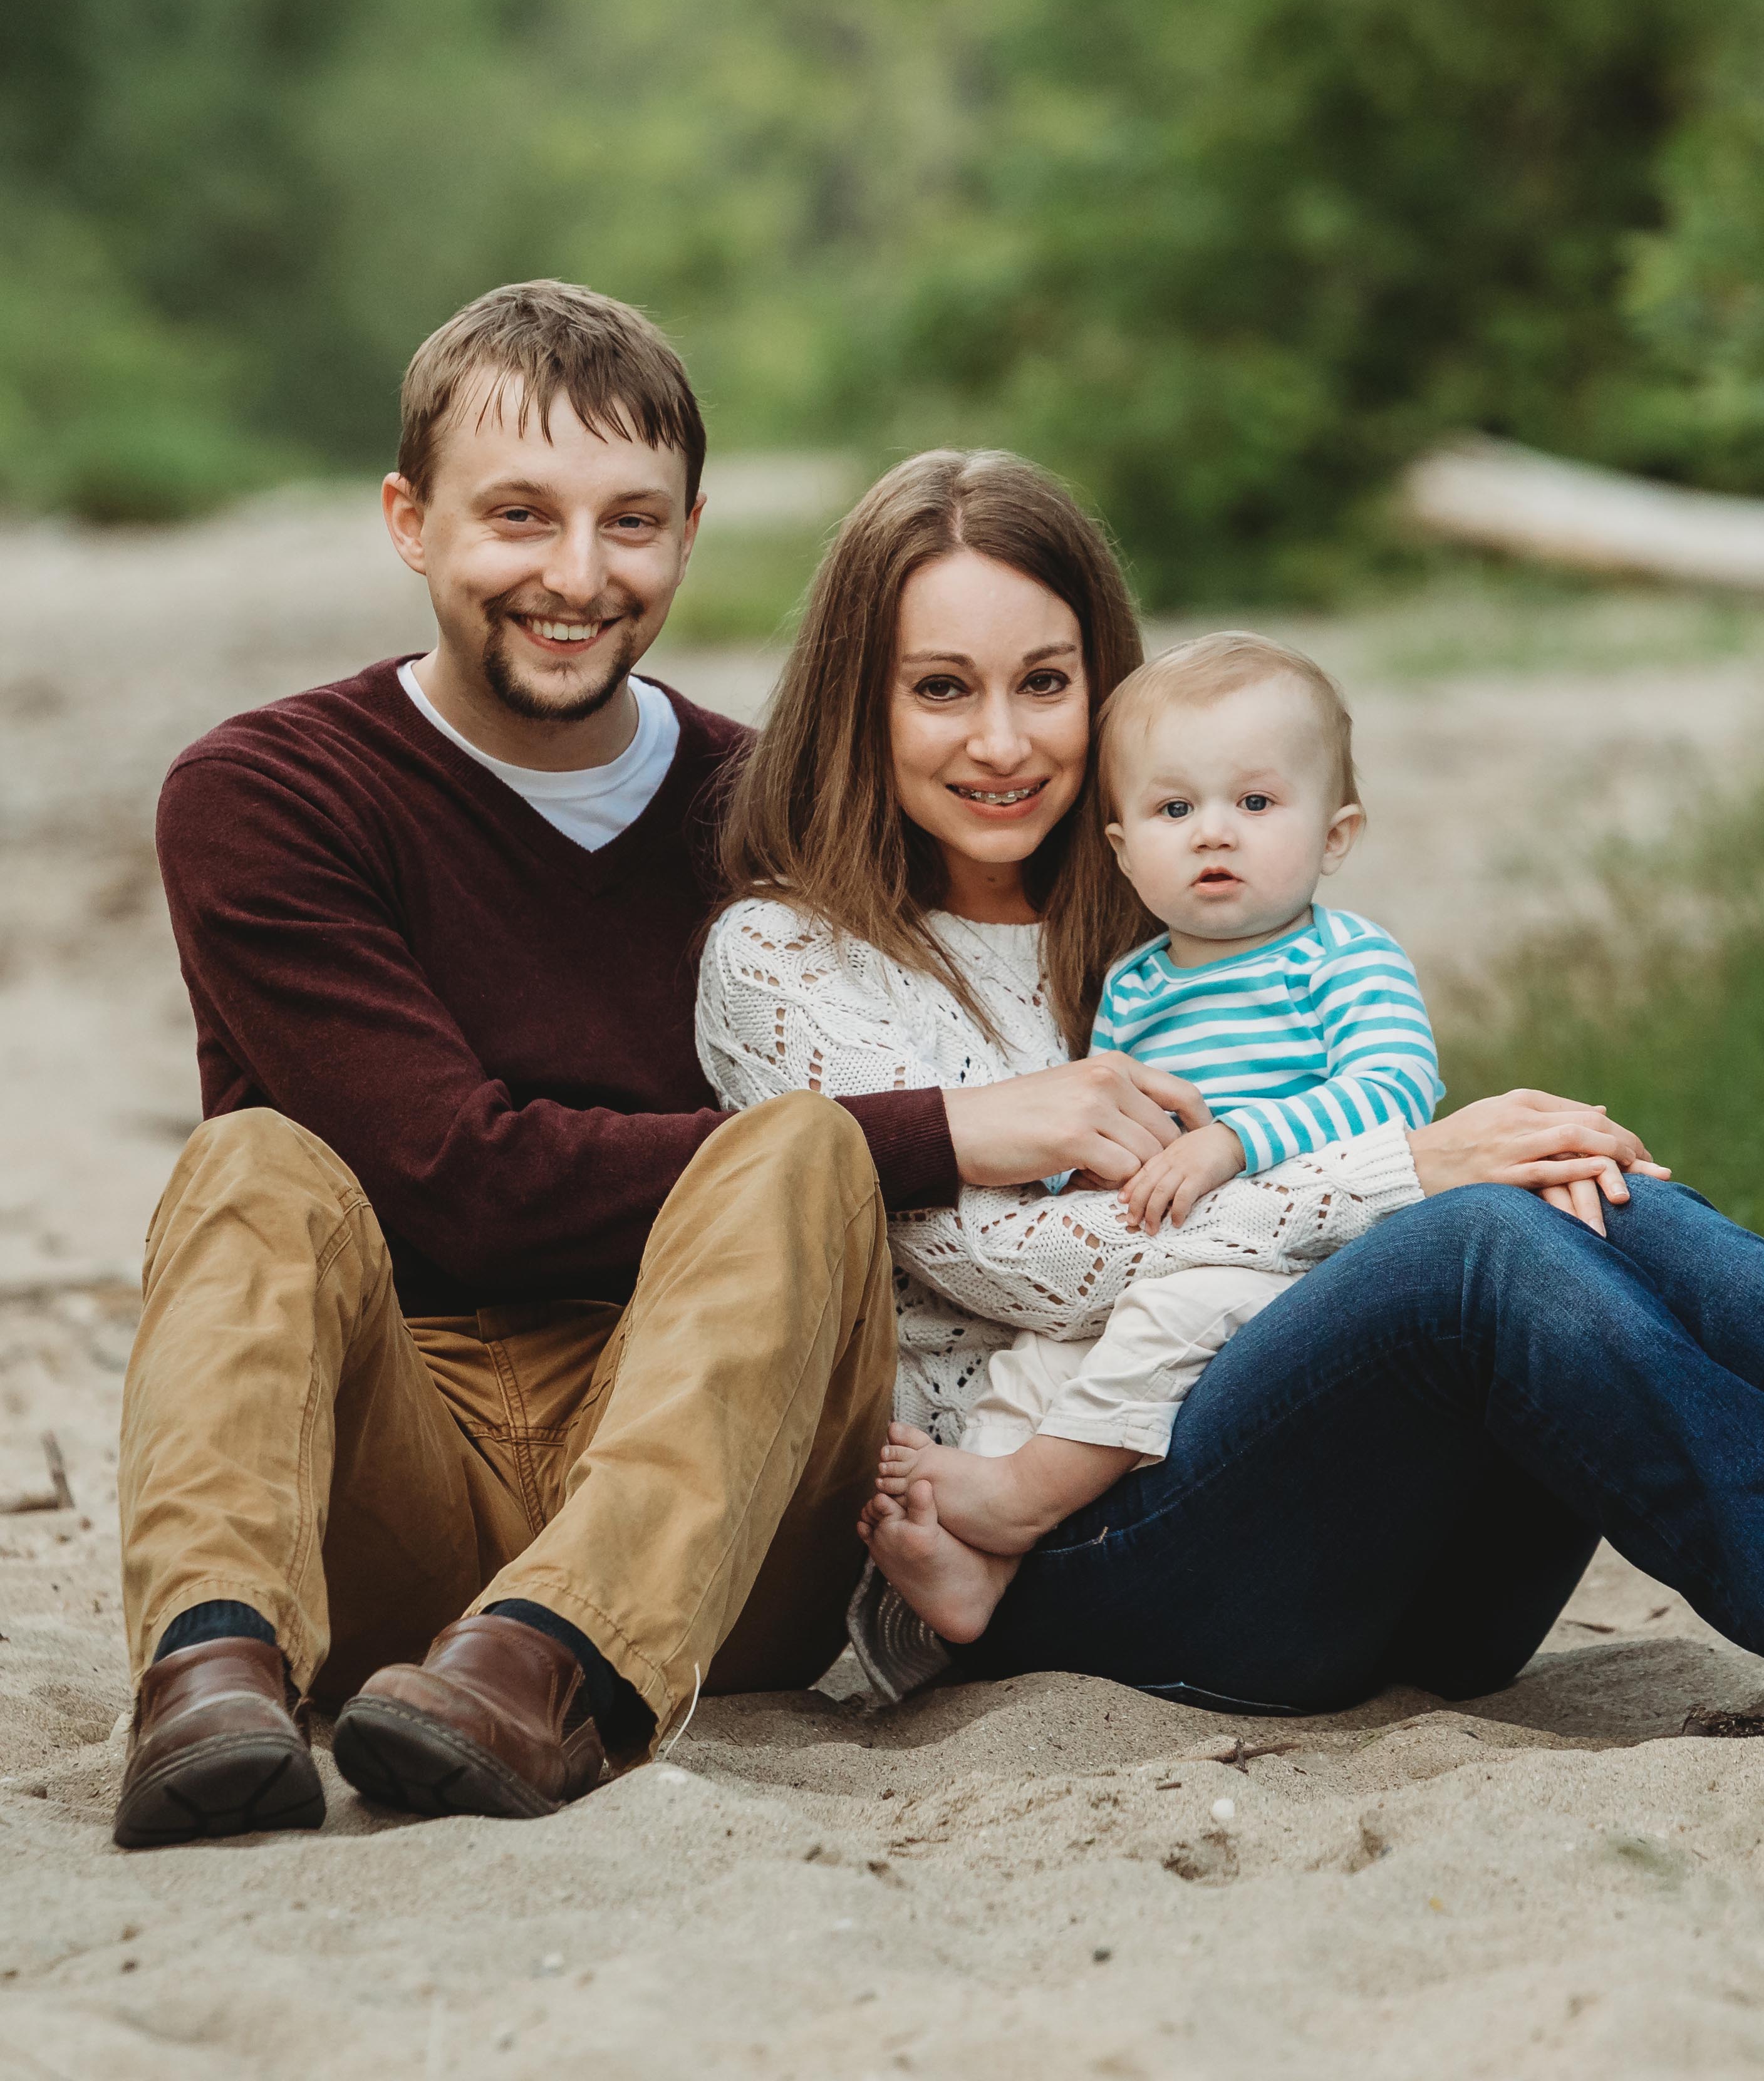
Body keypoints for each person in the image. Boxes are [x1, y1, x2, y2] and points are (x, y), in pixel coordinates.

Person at [113, 285, 1206, 1851]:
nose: (576, 575)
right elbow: (458, 1181)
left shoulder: (769, 804)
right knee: (252, 1163)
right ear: (409, 520)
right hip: (384, 1484)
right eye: (517, 516)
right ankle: (212, 1662)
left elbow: (1042, 921)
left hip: (708, 1519)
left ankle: (549, 1665)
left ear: (689, 533)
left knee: (801, 1148)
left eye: (630, 521)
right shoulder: (267, 792)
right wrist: (950, 1129)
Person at [700, 445, 1764, 1725]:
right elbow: (1010, 1263)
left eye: (1044, 681)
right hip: (1048, 1565)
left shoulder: (1154, 904)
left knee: (1578, 1191)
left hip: (1370, 1555)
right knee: (1472, 1240)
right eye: (939, 687)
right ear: (853, 703)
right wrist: (1399, 1169)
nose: (1001, 739)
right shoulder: (785, 957)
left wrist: (1450, 1163)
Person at [866, 628, 1448, 1637]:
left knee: (1159, 1330)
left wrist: (1236, 1142)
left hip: (1306, 1262)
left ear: (1335, 835)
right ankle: (977, 1569)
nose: (1214, 834)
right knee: (1040, 1357)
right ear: (1125, 849)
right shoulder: (1136, 987)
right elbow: (1109, 1128)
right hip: (1155, 1251)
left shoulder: (1341, 959)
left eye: (1256, 804)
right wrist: (1074, 1190)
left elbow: (1398, 1089)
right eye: (1175, 810)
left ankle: (1023, 1498)